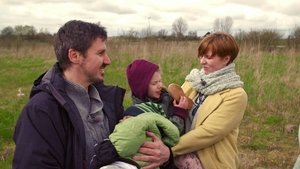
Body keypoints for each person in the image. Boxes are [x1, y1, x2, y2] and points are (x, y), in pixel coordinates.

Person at [12, 20, 172, 169]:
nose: (108, 60)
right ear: (74, 56)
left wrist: (165, 155)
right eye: (100, 53)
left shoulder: (108, 101)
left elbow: (126, 148)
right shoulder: (41, 111)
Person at [171, 32, 248, 169]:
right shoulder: (193, 81)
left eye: (208, 57)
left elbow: (209, 132)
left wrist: (169, 150)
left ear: (226, 59)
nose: (202, 61)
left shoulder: (236, 95)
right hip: (181, 157)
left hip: (210, 162)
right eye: (201, 56)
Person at [126, 59, 190, 135]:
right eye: (154, 83)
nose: (160, 85)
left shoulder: (165, 96)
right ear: (142, 87)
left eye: (160, 81)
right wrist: (179, 112)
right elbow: (170, 134)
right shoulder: (143, 114)